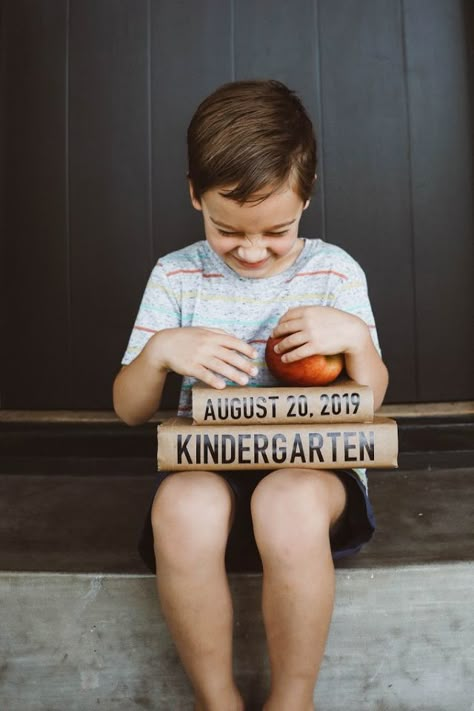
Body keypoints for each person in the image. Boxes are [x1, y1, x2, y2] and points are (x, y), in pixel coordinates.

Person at [113, 79, 389, 711]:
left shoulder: (334, 272)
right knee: (181, 509)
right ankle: (219, 700)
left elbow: (369, 401)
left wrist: (354, 340)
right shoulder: (176, 276)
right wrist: (160, 353)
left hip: (310, 487)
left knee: (286, 501)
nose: (254, 251)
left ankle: (294, 699)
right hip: (209, 480)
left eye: (277, 231)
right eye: (228, 230)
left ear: (307, 197)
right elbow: (129, 409)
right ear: (194, 195)